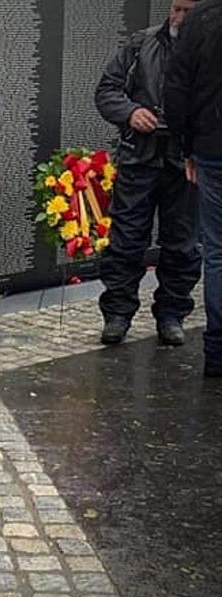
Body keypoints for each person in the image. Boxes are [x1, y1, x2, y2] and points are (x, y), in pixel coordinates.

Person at [94, 0, 202, 346]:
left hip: (185, 164)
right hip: (139, 159)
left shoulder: (212, 51)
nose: (179, 17)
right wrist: (130, 112)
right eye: (176, 9)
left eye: (188, 11)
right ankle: (117, 314)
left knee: (182, 245)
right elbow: (106, 90)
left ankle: (172, 315)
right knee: (125, 240)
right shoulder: (142, 44)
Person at [164, 0, 222, 377]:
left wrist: (186, 148)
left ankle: (217, 352)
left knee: (217, 252)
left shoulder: (201, 18)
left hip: (212, 148)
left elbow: (177, 89)